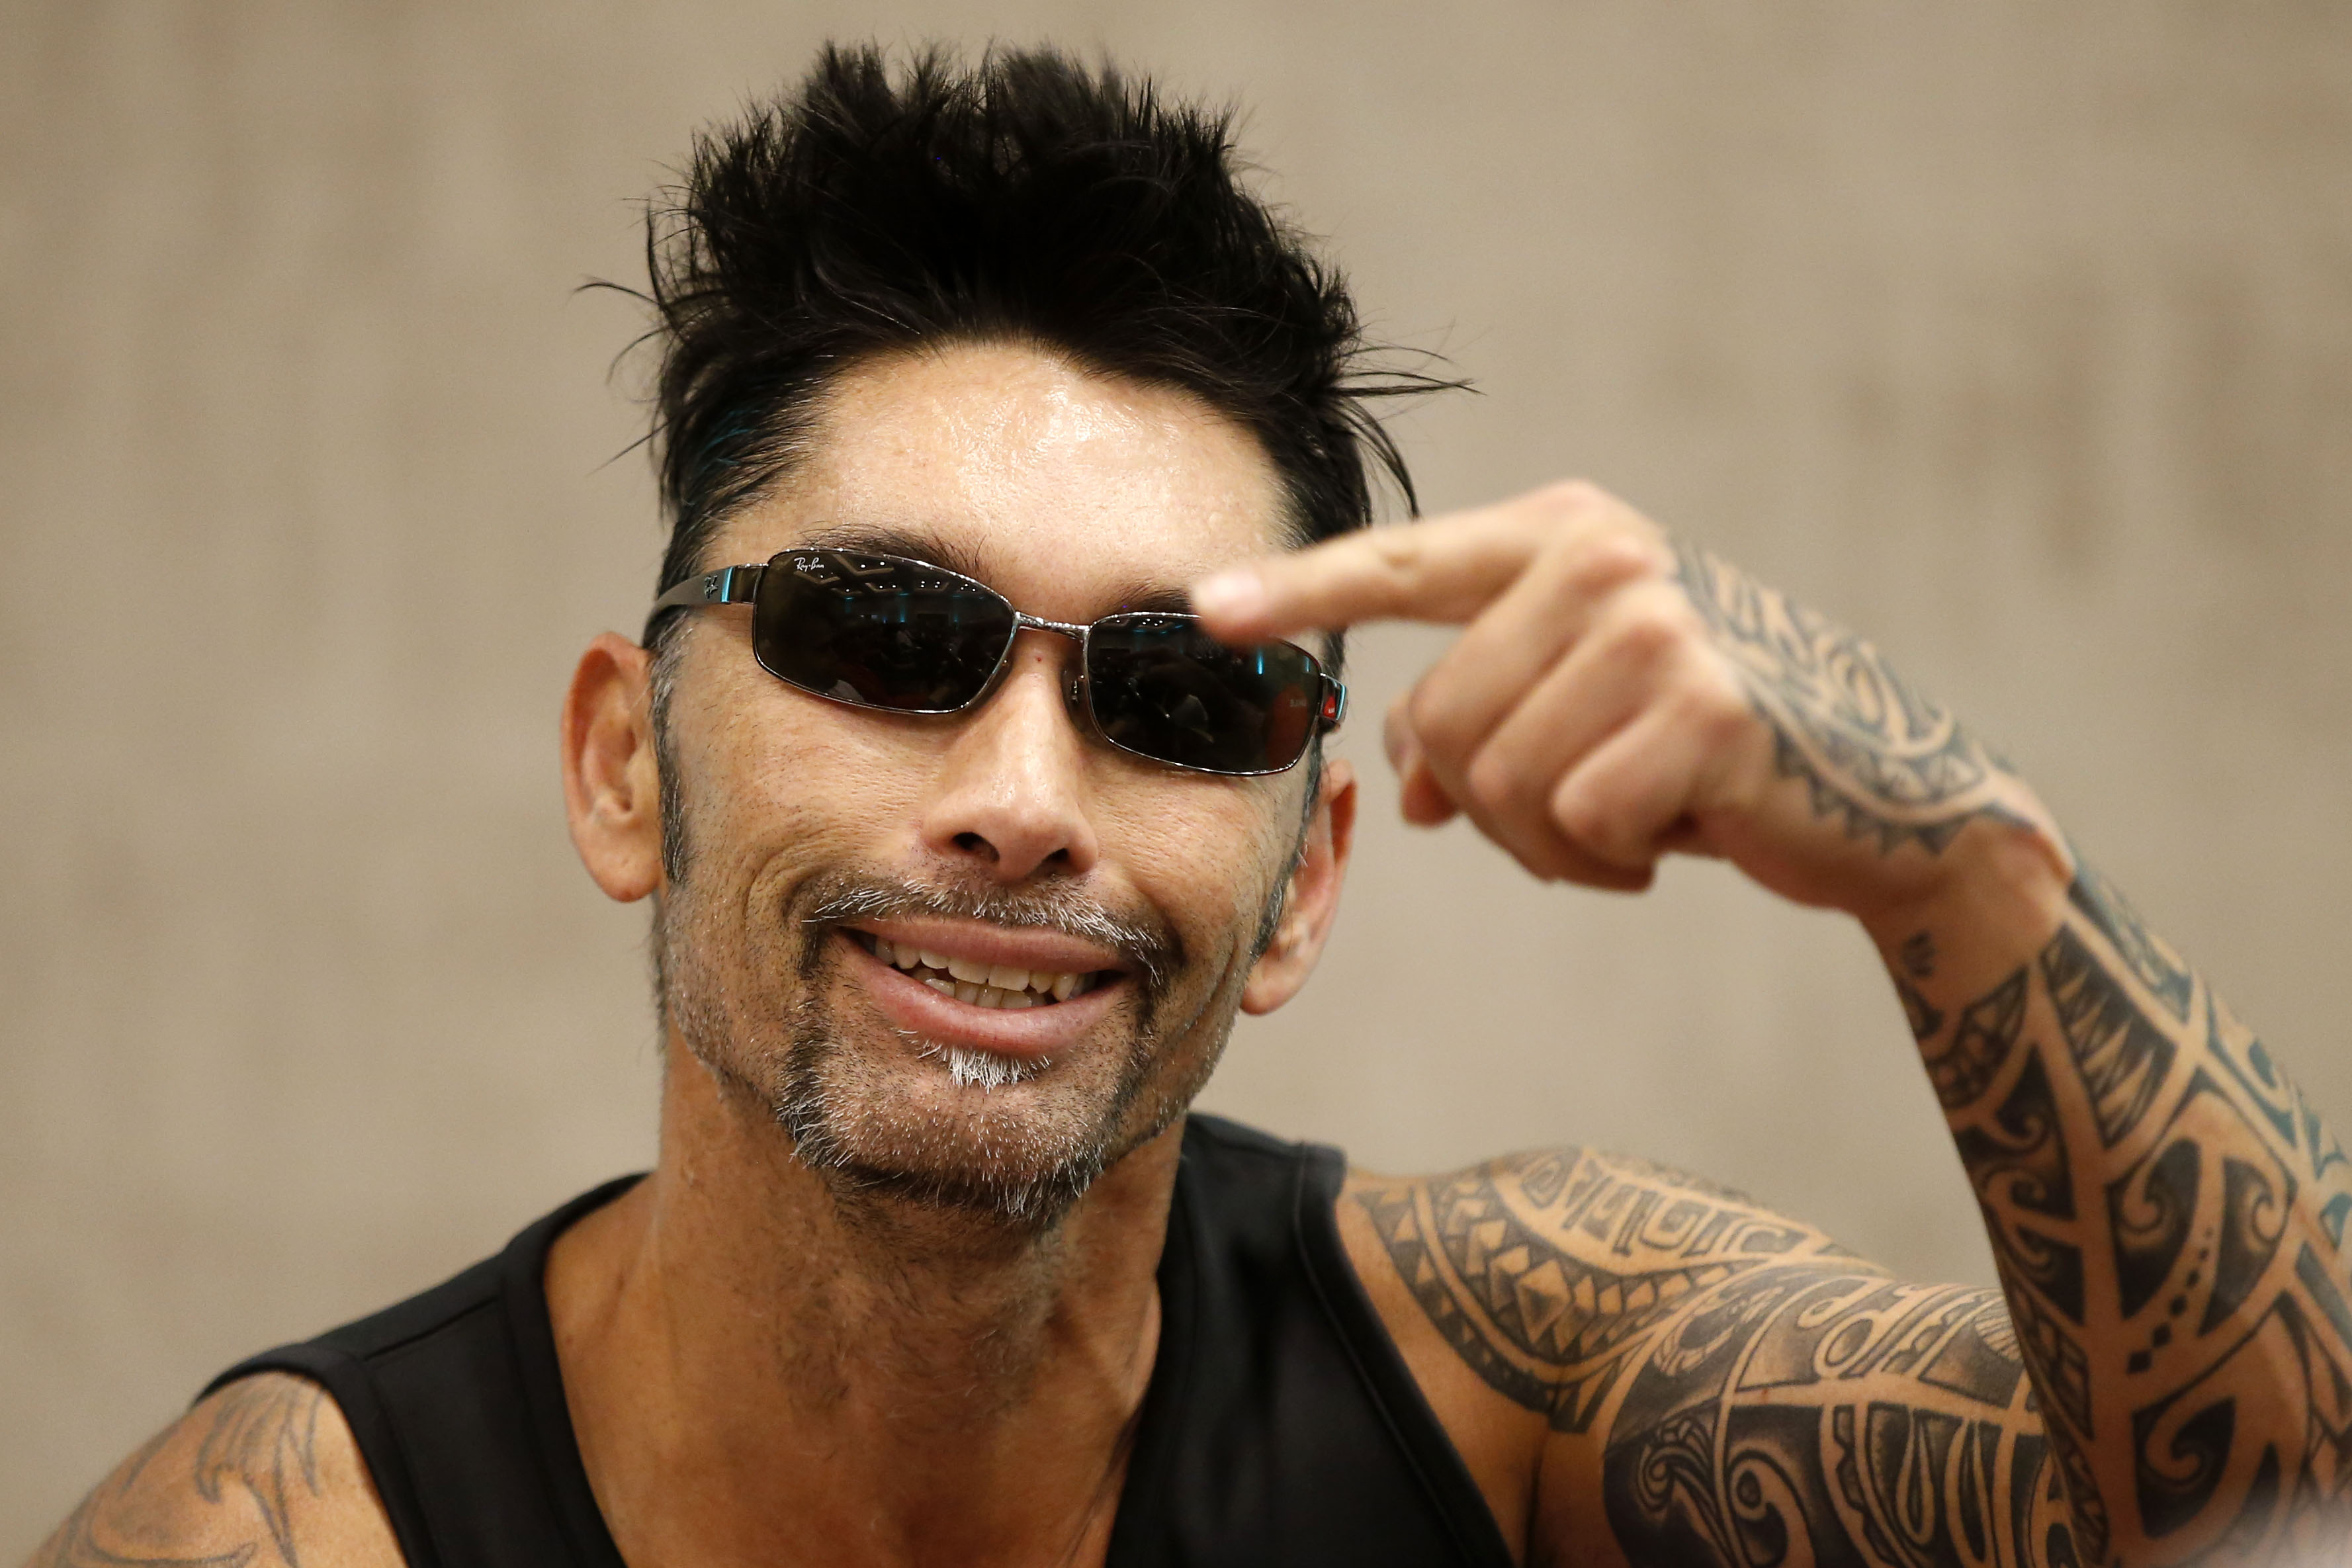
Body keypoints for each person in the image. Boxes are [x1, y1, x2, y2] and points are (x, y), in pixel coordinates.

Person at [30, 44, 2352, 1568]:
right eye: (884, 636)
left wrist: (1953, 860)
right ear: (624, 764)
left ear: (1306, 879)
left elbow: (2269, 1511)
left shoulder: (1502, 1383)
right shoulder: (289, 1535)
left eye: (1179, 698)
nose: (1023, 798)